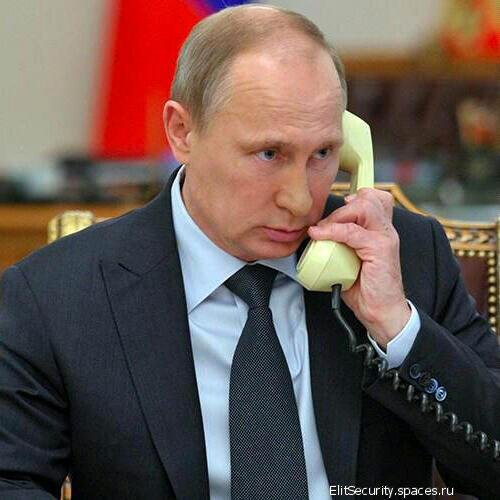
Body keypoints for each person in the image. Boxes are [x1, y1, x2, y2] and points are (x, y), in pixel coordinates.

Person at [0, 4, 499, 500]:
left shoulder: (405, 258)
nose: (300, 199)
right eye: (269, 154)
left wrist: (398, 328)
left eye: (323, 153)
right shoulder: (55, 297)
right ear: (182, 132)